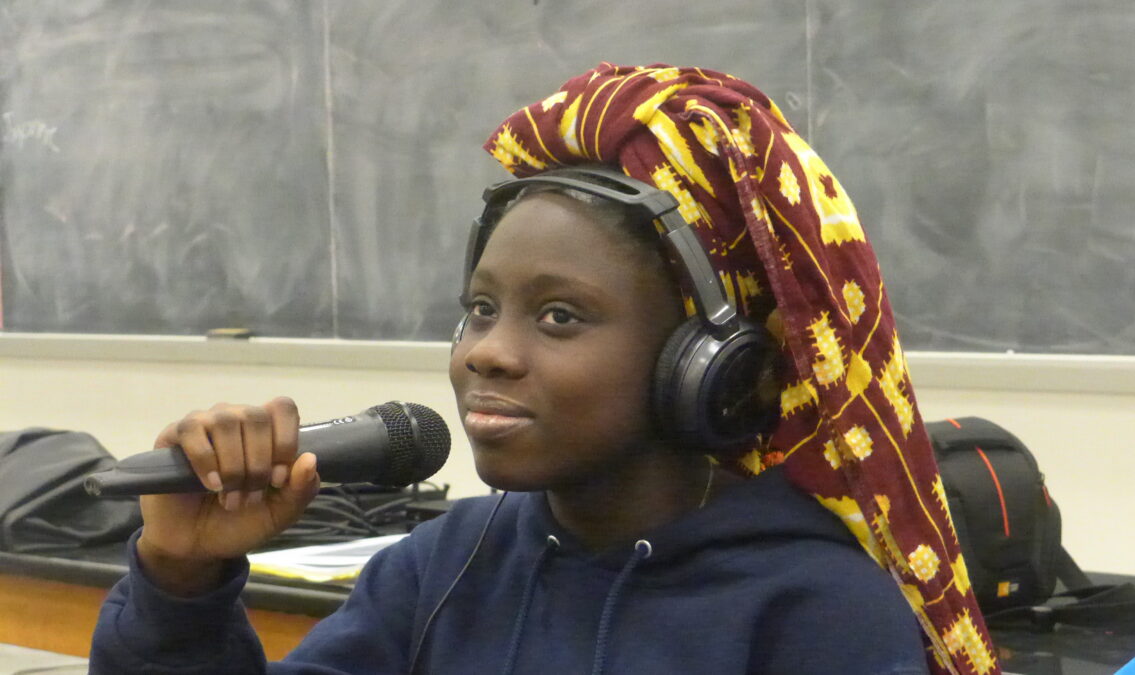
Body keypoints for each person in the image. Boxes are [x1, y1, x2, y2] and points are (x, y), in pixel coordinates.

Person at [90, 63, 997, 674]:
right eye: (481, 308)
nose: (486, 349)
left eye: (559, 316)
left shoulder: (817, 612)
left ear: (709, 364)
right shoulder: (443, 566)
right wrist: (179, 579)